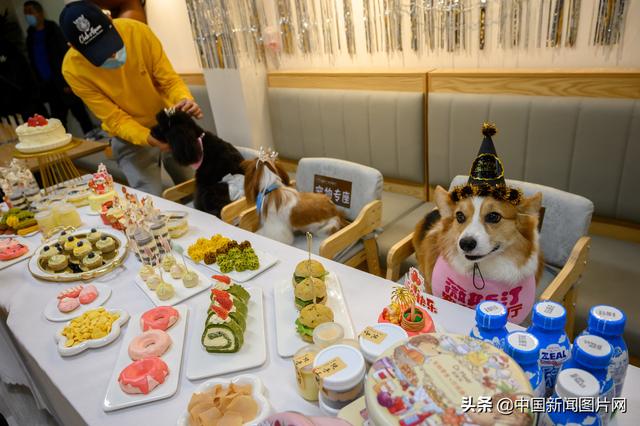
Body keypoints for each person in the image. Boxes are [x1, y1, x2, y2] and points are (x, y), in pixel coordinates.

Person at [59, 1, 202, 196]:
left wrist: (184, 99)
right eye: (97, 50)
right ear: (72, 46)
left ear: (109, 18)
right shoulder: (72, 70)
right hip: (130, 138)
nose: (110, 53)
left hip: (171, 124)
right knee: (150, 200)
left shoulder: (138, 32)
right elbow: (115, 119)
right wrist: (148, 138)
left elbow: (169, 81)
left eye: (107, 41)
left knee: (196, 186)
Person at [23, 1, 96, 135]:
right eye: (25, 13)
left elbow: (63, 55)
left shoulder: (53, 30)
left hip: (62, 81)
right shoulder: (30, 37)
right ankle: (61, 142)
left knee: (79, 112)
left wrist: (66, 80)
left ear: (39, 13)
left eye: (30, 12)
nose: (28, 15)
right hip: (48, 86)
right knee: (58, 120)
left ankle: (92, 136)